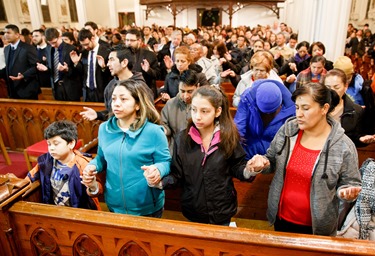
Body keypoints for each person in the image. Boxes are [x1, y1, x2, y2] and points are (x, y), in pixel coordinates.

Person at [246, 82, 362, 236]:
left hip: (318, 228)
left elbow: (351, 183)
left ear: (324, 108)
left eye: (306, 108)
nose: (299, 114)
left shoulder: (343, 146)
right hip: (282, 218)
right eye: (297, 107)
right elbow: (271, 160)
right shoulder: (288, 131)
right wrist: (260, 163)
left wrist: (347, 192)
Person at [147, 85, 254, 225]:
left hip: (222, 209)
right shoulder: (182, 139)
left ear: (217, 112)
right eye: (194, 109)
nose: (197, 116)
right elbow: (177, 175)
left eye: (205, 111)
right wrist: (159, 181)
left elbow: (237, 167)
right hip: (193, 209)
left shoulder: (228, 136)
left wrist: (250, 169)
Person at [82, 80, 171, 217]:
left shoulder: (154, 132)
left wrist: (158, 170)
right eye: (114, 99)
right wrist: (92, 166)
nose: (116, 103)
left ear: (137, 105)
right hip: (114, 203)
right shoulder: (104, 129)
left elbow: (166, 162)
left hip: (146, 205)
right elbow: (101, 158)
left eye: (123, 99)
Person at [26, 120, 102, 210]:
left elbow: (97, 191)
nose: (51, 148)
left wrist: (93, 186)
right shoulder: (46, 162)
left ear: (71, 143)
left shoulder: (82, 163)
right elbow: (30, 177)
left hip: (80, 211)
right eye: (49, 144)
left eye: (56, 144)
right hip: (55, 211)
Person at [80, 48, 152, 121]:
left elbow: (148, 115)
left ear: (124, 62)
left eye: (112, 60)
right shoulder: (111, 85)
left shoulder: (140, 87)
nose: (108, 64)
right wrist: (98, 114)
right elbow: (112, 113)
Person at [234, 79, 295, 160]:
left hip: (275, 156)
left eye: (272, 111)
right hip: (248, 152)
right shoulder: (247, 100)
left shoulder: (292, 109)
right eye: (264, 112)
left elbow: (290, 141)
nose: (268, 114)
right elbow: (239, 128)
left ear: (281, 104)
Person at [324, 69, 375, 146]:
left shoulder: (356, 111)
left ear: (345, 87)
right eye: (328, 87)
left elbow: (355, 136)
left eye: (336, 87)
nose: (332, 91)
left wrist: (360, 139)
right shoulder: (316, 107)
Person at [161, 69, 199, 153]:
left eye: (190, 91)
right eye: (182, 91)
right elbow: (164, 124)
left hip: (197, 150)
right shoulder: (170, 104)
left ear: (197, 87)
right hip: (175, 149)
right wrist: (164, 130)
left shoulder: (202, 105)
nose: (185, 96)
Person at [40, 27, 82, 101]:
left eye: (54, 42)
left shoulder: (71, 48)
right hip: (56, 87)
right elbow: (50, 67)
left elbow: (79, 70)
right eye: (50, 43)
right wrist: (46, 69)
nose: (53, 45)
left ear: (59, 37)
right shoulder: (48, 49)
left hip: (70, 87)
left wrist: (67, 69)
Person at [70, 28, 111, 102]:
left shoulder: (106, 51)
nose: (85, 47)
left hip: (101, 90)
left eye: (86, 44)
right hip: (87, 91)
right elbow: (82, 73)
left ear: (92, 38)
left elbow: (111, 75)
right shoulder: (83, 52)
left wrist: (103, 68)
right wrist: (76, 63)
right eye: (83, 45)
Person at [0, 24, 39, 99]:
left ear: (17, 35)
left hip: (27, 89)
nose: (5, 35)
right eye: (4, 33)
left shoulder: (28, 48)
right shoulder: (7, 49)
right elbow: (9, 67)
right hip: (12, 90)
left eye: (8, 33)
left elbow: (35, 67)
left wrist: (23, 75)